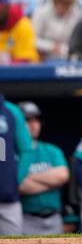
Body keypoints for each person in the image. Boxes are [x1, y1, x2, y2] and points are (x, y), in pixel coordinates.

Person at [17, 101, 69, 235]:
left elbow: (62, 176)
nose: (33, 125)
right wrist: (51, 182)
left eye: (36, 120)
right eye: (27, 120)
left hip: (54, 218)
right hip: (25, 219)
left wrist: (28, 178)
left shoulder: (51, 150)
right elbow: (20, 186)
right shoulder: (12, 153)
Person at [0, 95, 32, 235]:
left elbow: (26, 149)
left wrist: (15, 180)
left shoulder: (10, 110)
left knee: (15, 242)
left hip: (8, 196)